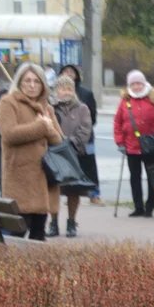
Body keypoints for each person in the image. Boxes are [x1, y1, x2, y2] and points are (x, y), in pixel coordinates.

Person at [0, 63, 64, 241]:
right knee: (17, 234)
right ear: (19, 82)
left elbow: (58, 139)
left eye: (36, 81)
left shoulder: (47, 107)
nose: (32, 85)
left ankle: (37, 270)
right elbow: (9, 134)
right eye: (27, 81)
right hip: (20, 180)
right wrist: (42, 126)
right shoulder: (8, 103)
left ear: (43, 85)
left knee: (39, 235)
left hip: (44, 180)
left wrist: (46, 128)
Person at [114, 70, 154, 219]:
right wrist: (120, 142)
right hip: (131, 146)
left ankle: (150, 205)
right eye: (133, 84)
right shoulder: (125, 101)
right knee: (135, 177)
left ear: (144, 83)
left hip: (152, 145)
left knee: (153, 176)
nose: (136, 87)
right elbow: (118, 122)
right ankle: (138, 207)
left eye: (138, 83)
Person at [51, 75, 93, 237]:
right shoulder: (50, 108)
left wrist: (70, 143)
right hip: (54, 154)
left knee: (73, 190)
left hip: (74, 154)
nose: (66, 92)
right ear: (57, 91)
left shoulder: (82, 108)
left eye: (69, 88)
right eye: (62, 88)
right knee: (53, 189)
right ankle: (53, 222)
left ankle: (71, 222)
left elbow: (85, 130)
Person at [59, 64, 102, 205]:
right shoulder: (55, 95)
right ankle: (71, 193)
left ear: (77, 75)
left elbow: (93, 116)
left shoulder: (85, 93)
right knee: (68, 166)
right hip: (64, 139)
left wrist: (82, 131)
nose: (69, 74)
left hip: (86, 138)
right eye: (65, 72)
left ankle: (94, 194)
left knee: (90, 167)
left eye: (71, 72)